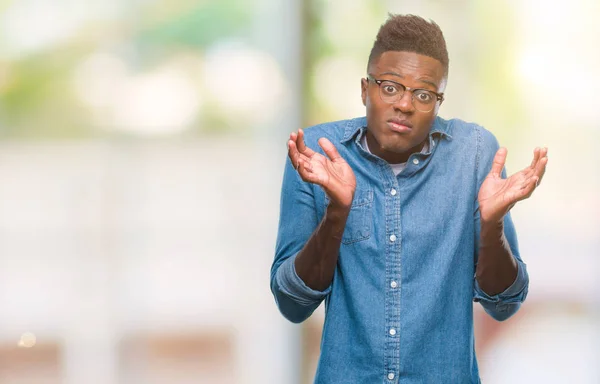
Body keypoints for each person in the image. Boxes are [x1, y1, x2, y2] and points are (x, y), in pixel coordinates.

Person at [270, 14, 548, 383]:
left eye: (423, 94)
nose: (404, 105)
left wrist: (491, 224)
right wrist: (337, 212)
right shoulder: (318, 154)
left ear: (438, 101)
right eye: (390, 87)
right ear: (365, 89)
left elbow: (504, 305)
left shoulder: (475, 155)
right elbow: (292, 304)